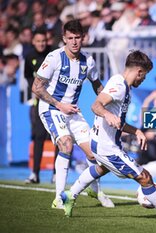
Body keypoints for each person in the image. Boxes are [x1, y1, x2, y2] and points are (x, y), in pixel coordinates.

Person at [59, 50, 156, 221]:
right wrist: (107, 114)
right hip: (107, 148)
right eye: (144, 76)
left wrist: (136, 131)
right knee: (145, 177)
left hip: (100, 143)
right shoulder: (119, 86)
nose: (143, 80)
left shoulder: (120, 84)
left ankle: (70, 195)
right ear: (139, 71)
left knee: (102, 168)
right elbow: (96, 105)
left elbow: (118, 122)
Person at [32, 20, 114, 209]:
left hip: (72, 111)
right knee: (66, 144)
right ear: (64, 39)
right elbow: (36, 87)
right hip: (51, 108)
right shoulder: (54, 58)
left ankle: (94, 189)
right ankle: (59, 198)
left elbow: (96, 84)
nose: (74, 42)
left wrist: (108, 103)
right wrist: (60, 105)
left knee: (94, 153)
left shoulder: (88, 61)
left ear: (83, 38)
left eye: (78, 37)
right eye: (70, 38)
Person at [24, 29, 52, 184]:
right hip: (39, 102)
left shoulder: (53, 53)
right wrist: (33, 89)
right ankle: (35, 174)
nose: (41, 44)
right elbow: (28, 75)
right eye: (38, 41)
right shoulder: (29, 56)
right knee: (39, 137)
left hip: (55, 101)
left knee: (58, 138)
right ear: (33, 42)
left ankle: (56, 175)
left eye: (43, 41)